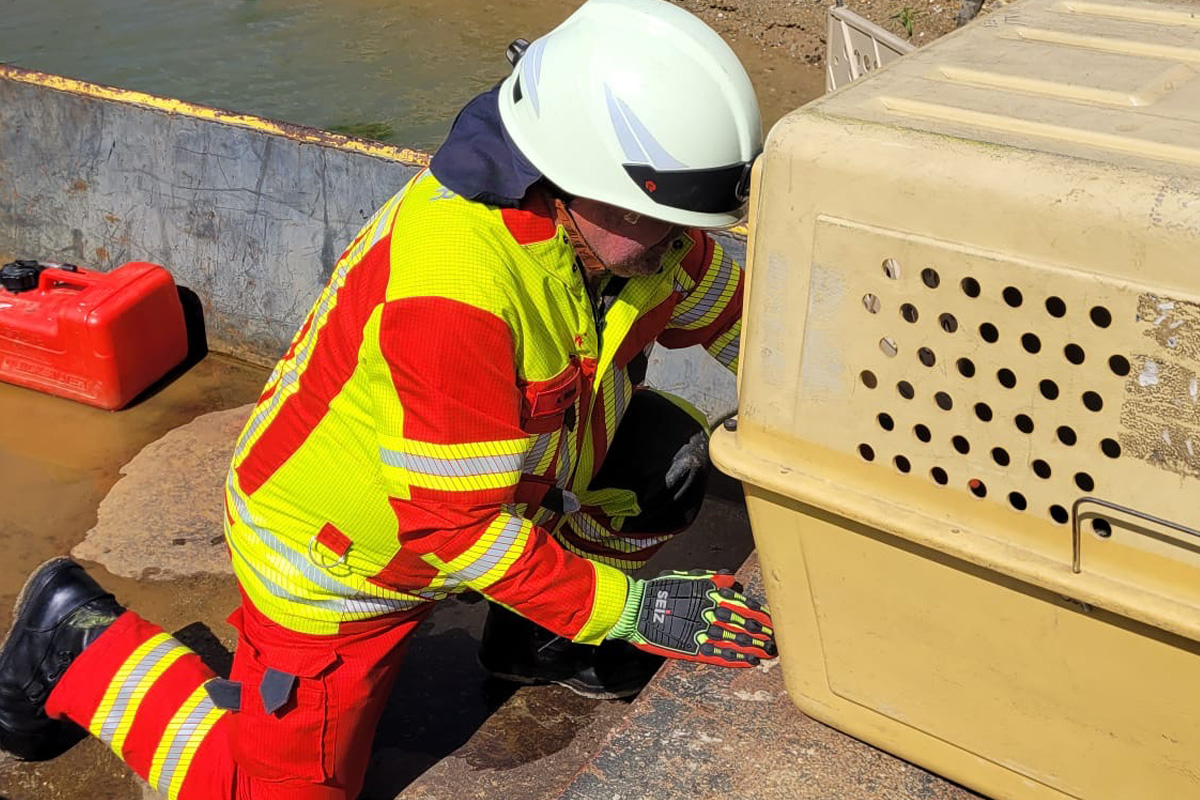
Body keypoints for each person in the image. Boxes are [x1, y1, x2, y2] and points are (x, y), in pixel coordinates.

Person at [0, 0, 775, 797]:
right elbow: (457, 529)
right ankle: (77, 645)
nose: (674, 238)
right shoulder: (457, 293)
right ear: (571, 170)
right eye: (654, 214)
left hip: (499, 496)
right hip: (346, 564)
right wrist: (630, 609)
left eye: (682, 216)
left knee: (667, 458)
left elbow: (744, 322)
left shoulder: (632, 234)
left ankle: (539, 639)